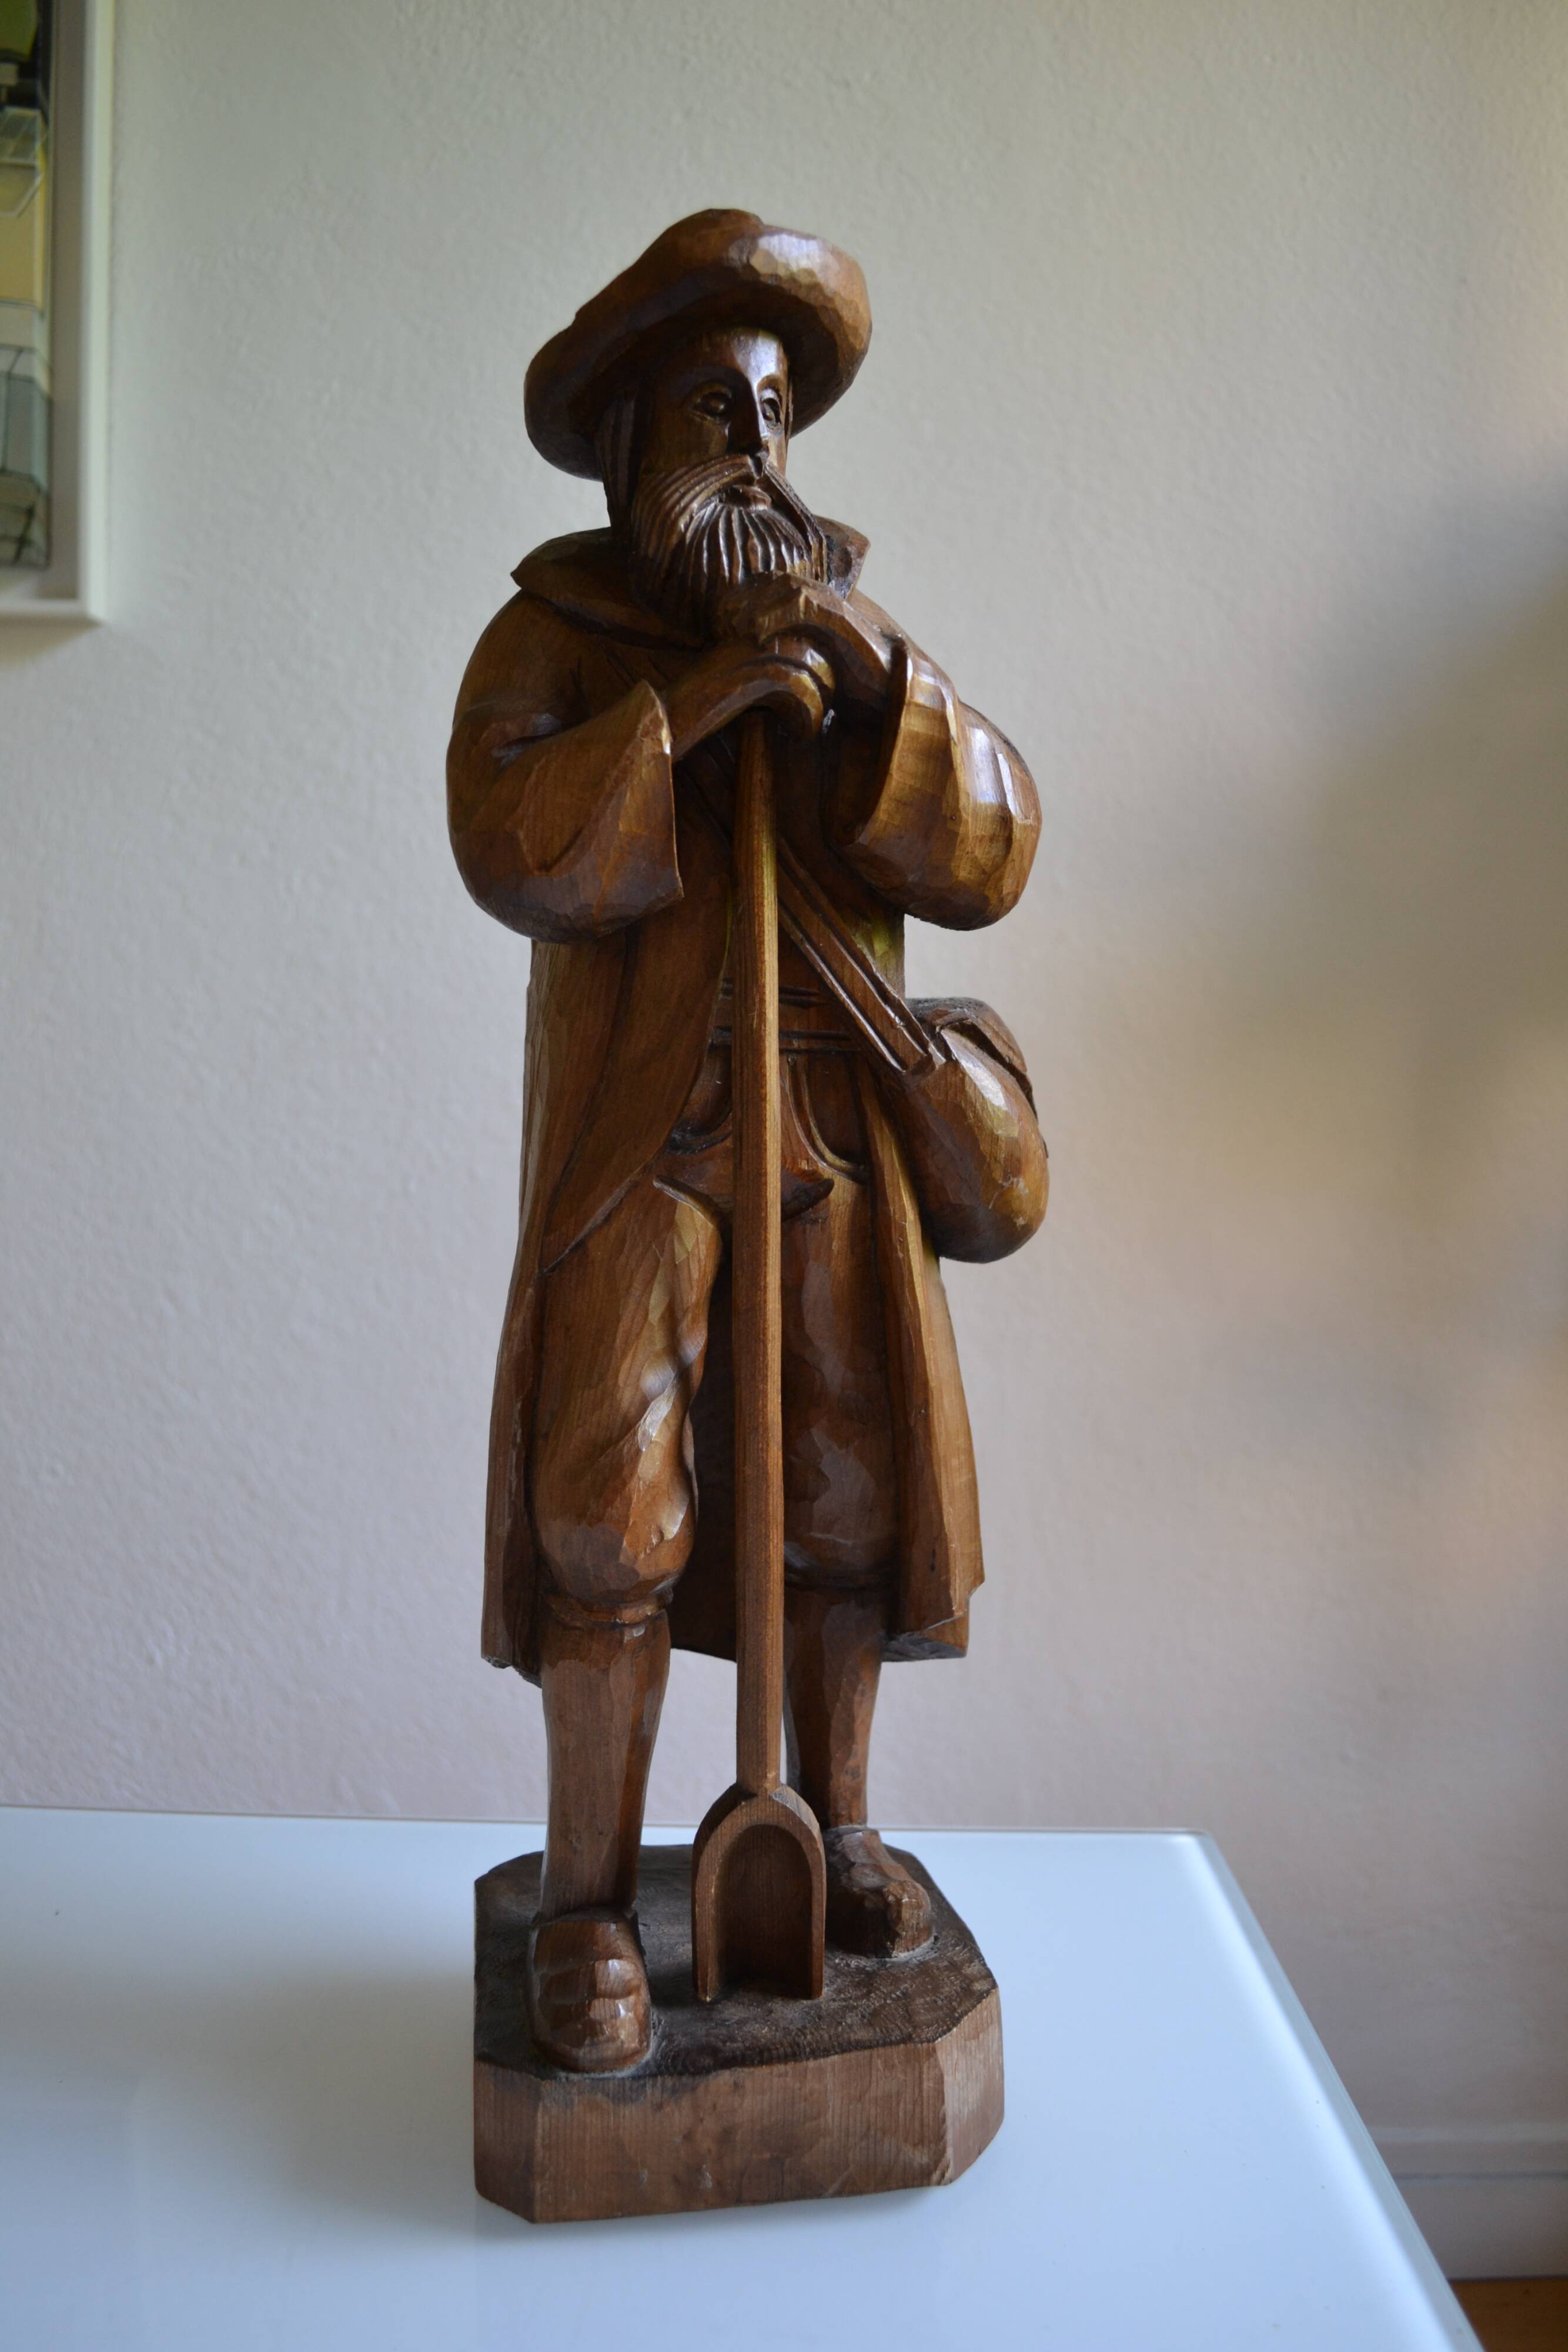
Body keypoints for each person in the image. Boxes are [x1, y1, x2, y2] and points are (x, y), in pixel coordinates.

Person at [449, 212, 1043, 2070]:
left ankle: (839, 1827)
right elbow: (509, 844)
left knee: (847, 1501)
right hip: (653, 1131)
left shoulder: (850, 638)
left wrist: (869, 686)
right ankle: (581, 1905)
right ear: (635, 437)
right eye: (720, 411)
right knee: (603, 1513)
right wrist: (686, 716)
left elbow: (994, 846)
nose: (759, 454)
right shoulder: (554, 635)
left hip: (836, 1130)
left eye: (778, 413)